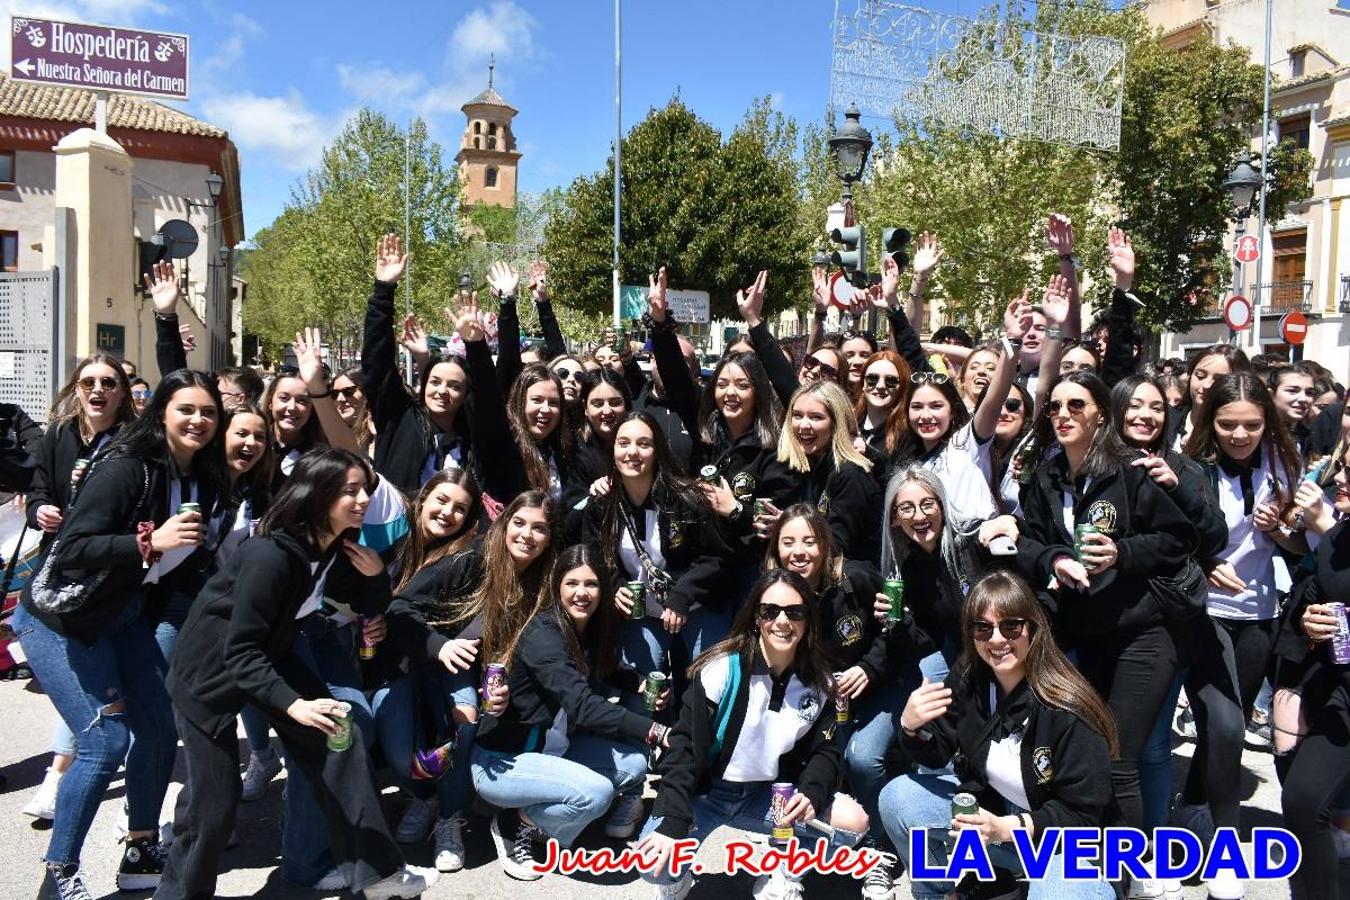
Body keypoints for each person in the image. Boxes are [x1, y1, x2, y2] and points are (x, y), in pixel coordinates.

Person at [152, 448, 432, 900]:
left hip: (271, 653)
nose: (362, 499)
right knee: (213, 806)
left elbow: (366, 606)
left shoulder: (335, 548)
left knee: (340, 734)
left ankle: (379, 875)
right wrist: (294, 704)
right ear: (318, 495)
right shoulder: (271, 556)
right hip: (208, 673)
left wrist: (378, 575)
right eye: (349, 491)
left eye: (366, 489)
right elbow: (239, 651)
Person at [14, 369, 223, 896]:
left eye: (208, 412)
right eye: (186, 410)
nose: (198, 420)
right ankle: (58, 875)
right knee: (105, 742)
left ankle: (140, 846)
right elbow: (75, 548)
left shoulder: (200, 475)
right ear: (162, 414)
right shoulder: (129, 467)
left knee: (156, 726)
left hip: (121, 616)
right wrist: (148, 543)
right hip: (60, 618)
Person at [1016, 371, 1199, 838]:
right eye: (1055, 407)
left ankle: (1130, 871)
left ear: (1101, 414)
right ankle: (1096, 858)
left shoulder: (1130, 470)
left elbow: (1180, 538)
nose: (1063, 415)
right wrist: (1054, 559)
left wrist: (1123, 553)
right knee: (1091, 752)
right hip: (1084, 634)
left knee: (1120, 757)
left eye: (1076, 405)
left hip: (1143, 634)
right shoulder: (1046, 476)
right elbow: (1029, 543)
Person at [878, 571, 1119, 900]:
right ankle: (940, 893)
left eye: (1010, 626)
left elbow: (1082, 817)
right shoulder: (969, 675)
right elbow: (937, 752)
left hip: (1067, 846)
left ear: (1032, 628)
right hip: (996, 825)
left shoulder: (1068, 708)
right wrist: (911, 727)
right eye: (982, 628)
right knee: (899, 797)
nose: (996, 640)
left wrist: (1007, 829)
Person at [635, 569, 870, 900]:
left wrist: (812, 792)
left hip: (770, 797)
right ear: (756, 617)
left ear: (808, 621)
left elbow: (827, 749)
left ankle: (782, 873)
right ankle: (677, 881)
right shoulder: (721, 669)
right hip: (708, 794)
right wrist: (673, 823)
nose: (782, 621)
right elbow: (683, 747)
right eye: (769, 611)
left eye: (795, 612)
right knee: (653, 860)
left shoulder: (820, 681)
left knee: (851, 824)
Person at [380, 491, 558, 867]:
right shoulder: (472, 557)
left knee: (467, 719)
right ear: (504, 524)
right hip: (421, 659)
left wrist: (506, 688)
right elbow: (399, 606)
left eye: (539, 528)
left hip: (472, 673)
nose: (527, 535)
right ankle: (425, 798)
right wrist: (437, 646)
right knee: (402, 754)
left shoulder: (542, 584)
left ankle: (449, 820)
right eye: (520, 523)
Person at [471, 545, 666, 879]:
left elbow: (602, 670)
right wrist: (657, 731)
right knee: (597, 793)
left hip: (554, 750)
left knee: (633, 765)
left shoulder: (588, 630)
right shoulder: (543, 634)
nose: (581, 593)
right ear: (556, 587)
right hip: (503, 761)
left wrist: (636, 681)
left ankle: (543, 818)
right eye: (571, 583)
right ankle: (512, 824)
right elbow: (583, 706)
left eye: (591, 584)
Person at [765, 504, 926, 899]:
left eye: (808, 540)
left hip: (880, 686)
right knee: (797, 756)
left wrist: (869, 668)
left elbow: (899, 633)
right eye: (788, 542)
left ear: (825, 545)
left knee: (861, 756)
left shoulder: (857, 579)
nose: (798, 551)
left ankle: (880, 852)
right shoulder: (775, 591)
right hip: (822, 696)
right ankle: (791, 854)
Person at [584, 411, 731, 683]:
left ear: (657, 450)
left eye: (644, 444)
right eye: (623, 443)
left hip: (697, 605)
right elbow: (595, 557)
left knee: (713, 682)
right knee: (639, 684)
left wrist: (681, 597)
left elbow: (715, 557)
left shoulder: (685, 498)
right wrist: (614, 587)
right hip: (645, 612)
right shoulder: (602, 504)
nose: (632, 452)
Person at [1279, 444, 1350, 900]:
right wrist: (1310, 623)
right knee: (1303, 801)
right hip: (1341, 696)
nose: (1340, 477)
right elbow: (1316, 598)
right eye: (1344, 465)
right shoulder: (1339, 538)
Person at [877, 466, 1018, 682]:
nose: (919, 516)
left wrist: (1013, 522)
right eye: (907, 508)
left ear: (942, 507)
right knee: (926, 679)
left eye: (927, 504)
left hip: (1011, 644)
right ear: (895, 518)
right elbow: (928, 638)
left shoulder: (973, 539)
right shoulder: (910, 569)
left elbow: (1030, 557)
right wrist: (898, 622)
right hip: (967, 656)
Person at [775, 380, 882, 564]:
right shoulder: (806, 467)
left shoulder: (851, 474)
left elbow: (839, 548)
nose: (804, 426)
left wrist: (793, 527)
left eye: (816, 417)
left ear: (836, 423)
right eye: (797, 415)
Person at [1169, 344, 1250, 450]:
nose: (1206, 385)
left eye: (1219, 379)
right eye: (1200, 376)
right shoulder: (1167, 419)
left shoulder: (1242, 435)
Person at [853, 350, 912, 466]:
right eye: (872, 379)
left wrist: (868, 452)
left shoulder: (907, 433)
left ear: (902, 387)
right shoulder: (848, 423)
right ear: (863, 384)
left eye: (891, 381)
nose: (880, 386)